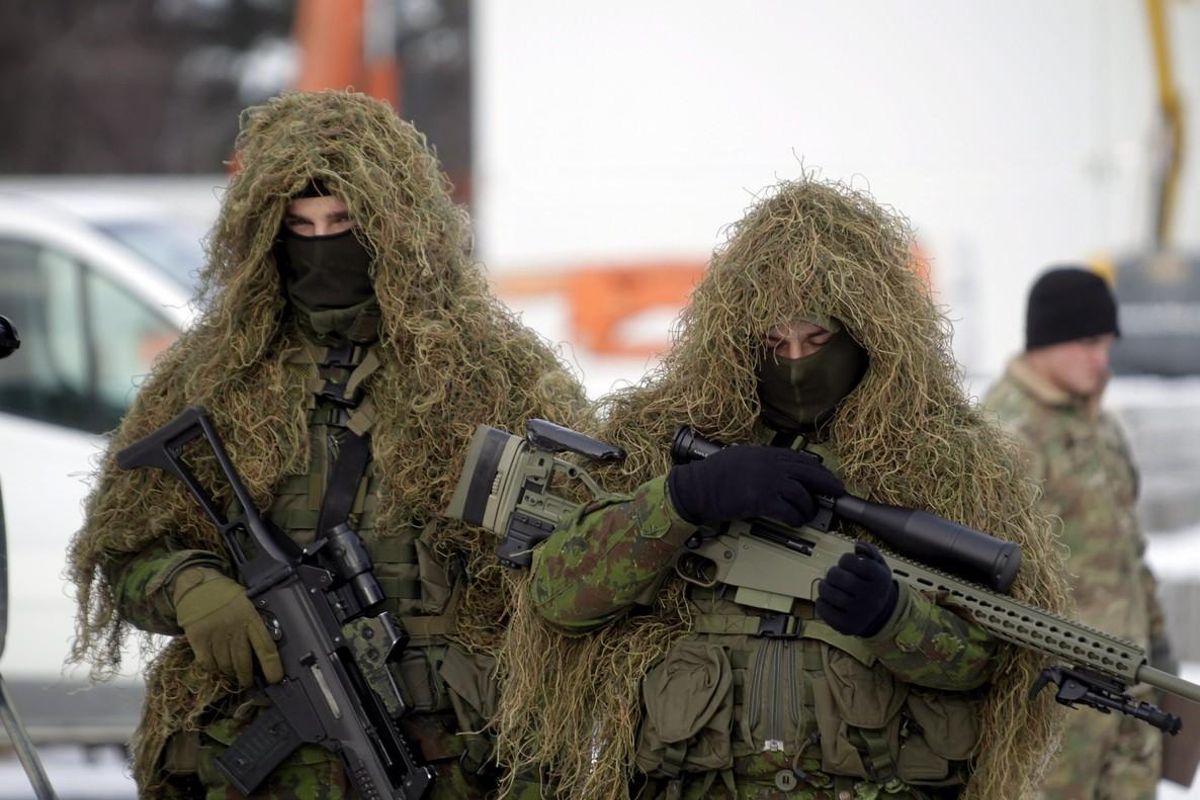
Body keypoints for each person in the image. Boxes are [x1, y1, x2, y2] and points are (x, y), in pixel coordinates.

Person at [66, 90, 587, 799]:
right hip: (258, 757)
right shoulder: (212, 376)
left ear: (395, 226)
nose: (321, 246)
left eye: (342, 221)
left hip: (448, 755)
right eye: (299, 226)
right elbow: (126, 548)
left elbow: (578, 564)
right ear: (266, 233)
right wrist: (189, 586)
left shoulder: (495, 375)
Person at [493, 177, 1072, 800]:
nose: (796, 361)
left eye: (817, 340)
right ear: (740, 341)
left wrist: (891, 618)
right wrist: (685, 499)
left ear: (866, 335)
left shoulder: (948, 465)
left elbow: (992, 664)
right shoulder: (664, 435)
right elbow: (558, 593)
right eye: (775, 342)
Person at [984, 266, 1173, 800]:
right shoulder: (1006, 436)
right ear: (1048, 341)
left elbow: (1130, 553)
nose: (1101, 360)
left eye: (1107, 345)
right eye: (1088, 344)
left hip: (1131, 687)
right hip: (1058, 703)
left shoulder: (1100, 426)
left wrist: (1160, 646)